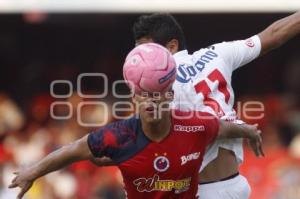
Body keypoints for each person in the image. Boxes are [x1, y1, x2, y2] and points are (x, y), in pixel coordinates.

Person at [8, 43, 263, 199]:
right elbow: (74, 150)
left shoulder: (194, 125)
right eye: (144, 96)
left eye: (157, 96)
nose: (151, 102)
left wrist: (249, 131)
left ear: (170, 96)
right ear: (134, 99)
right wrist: (33, 171)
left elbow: (222, 128)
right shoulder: (119, 136)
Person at [133, 12, 300, 199]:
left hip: (198, 191)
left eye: (146, 51)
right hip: (235, 185)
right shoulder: (218, 53)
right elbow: (273, 34)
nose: (139, 60)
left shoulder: (160, 87)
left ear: (172, 47)